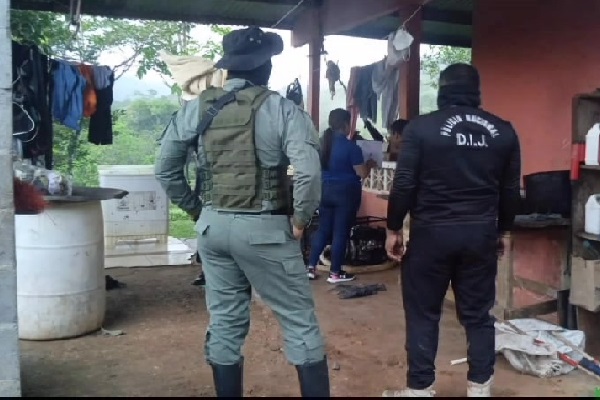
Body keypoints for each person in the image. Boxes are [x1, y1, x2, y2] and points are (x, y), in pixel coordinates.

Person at [155, 26, 330, 398]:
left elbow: (165, 169)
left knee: (226, 321)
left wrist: (197, 211)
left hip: (213, 230)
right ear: (264, 67)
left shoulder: (196, 108)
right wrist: (301, 220)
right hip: (265, 229)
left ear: (229, 69)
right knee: (299, 322)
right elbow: (310, 172)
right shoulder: (282, 108)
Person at [383, 63, 521, 397]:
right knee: (478, 316)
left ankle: (419, 390)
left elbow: (403, 184)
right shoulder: (503, 131)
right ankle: (479, 389)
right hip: (480, 235)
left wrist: (392, 228)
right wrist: (502, 231)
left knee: (423, 313)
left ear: (443, 90)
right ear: (477, 92)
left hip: (432, 235)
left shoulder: (422, 128)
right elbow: (510, 190)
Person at [306, 108, 377, 283]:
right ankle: (335, 273)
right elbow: (361, 173)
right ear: (346, 125)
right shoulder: (351, 147)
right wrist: (369, 164)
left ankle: (310, 267)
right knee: (340, 232)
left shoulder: (322, 145)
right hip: (345, 193)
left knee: (323, 229)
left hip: (324, 191)